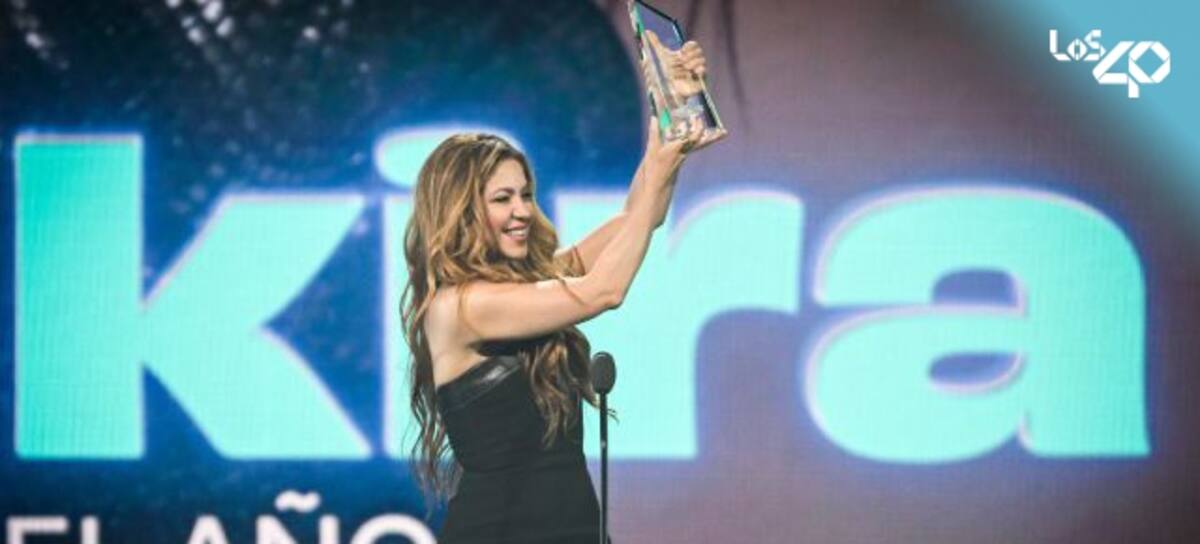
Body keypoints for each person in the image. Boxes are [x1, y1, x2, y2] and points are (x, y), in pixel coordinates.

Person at [400, 43, 720, 544]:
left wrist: (670, 123)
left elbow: (639, 218)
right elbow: (603, 291)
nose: (523, 211)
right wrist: (663, 162)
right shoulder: (460, 307)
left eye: (526, 194)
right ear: (460, 210)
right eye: (502, 199)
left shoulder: (528, 285)